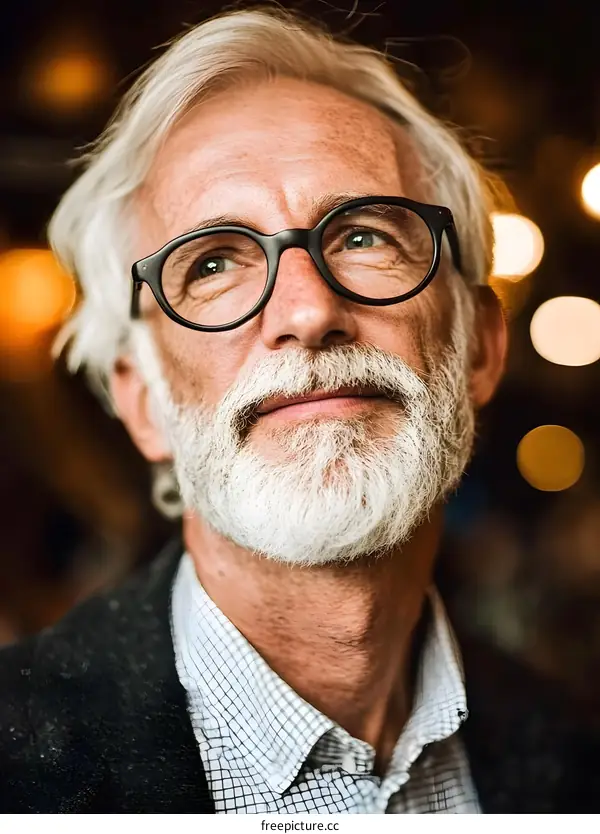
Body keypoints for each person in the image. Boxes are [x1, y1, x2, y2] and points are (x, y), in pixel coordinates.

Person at [0, 5, 596, 814]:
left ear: (482, 348)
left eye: (364, 237)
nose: (308, 311)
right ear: (143, 402)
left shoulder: (573, 754)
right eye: (213, 263)